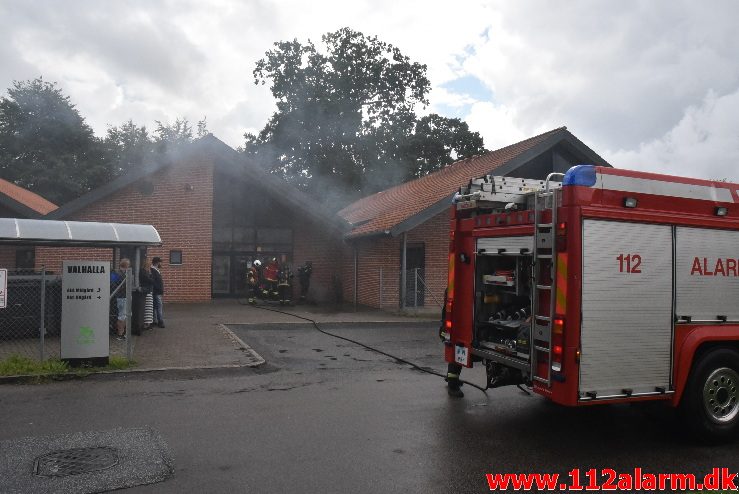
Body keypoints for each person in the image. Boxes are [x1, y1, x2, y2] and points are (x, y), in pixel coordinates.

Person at [111, 258, 130, 340]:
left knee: (125, 315)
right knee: (122, 316)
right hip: (121, 297)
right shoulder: (118, 274)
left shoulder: (124, 273)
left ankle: (123, 333)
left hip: (124, 296)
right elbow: (112, 284)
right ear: (127, 265)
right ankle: (120, 334)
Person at [140, 257, 155, 330]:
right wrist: (152, 280)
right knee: (147, 308)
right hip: (146, 291)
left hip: (149, 291)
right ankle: (146, 324)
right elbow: (149, 280)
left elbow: (152, 279)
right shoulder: (143, 271)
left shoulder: (149, 271)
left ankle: (148, 324)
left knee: (149, 308)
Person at [151, 256, 165, 328]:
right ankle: (160, 321)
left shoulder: (156, 270)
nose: (160, 263)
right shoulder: (153, 270)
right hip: (156, 292)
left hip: (157, 292)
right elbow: (153, 282)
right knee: (158, 307)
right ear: (156, 262)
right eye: (159, 262)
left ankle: (155, 320)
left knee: (155, 306)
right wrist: (158, 289)